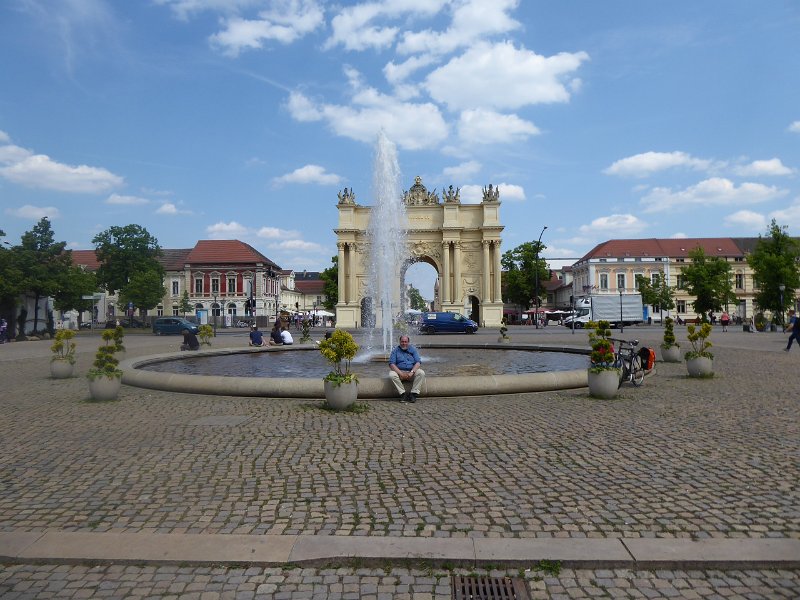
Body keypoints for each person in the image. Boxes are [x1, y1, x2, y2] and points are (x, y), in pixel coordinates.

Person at [388, 334, 425, 403]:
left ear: (408, 342)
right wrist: (400, 373)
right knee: (391, 374)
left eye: (405, 342)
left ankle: (413, 394)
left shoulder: (413, 350)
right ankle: (403, 394)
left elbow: (418, 362)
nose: (404, 343)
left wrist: (412, 372)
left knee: (421, 373)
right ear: (400, 342)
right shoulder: (395, 351)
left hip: (411, 373)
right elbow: (391, 364)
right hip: (400, 373)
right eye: (402, 342)